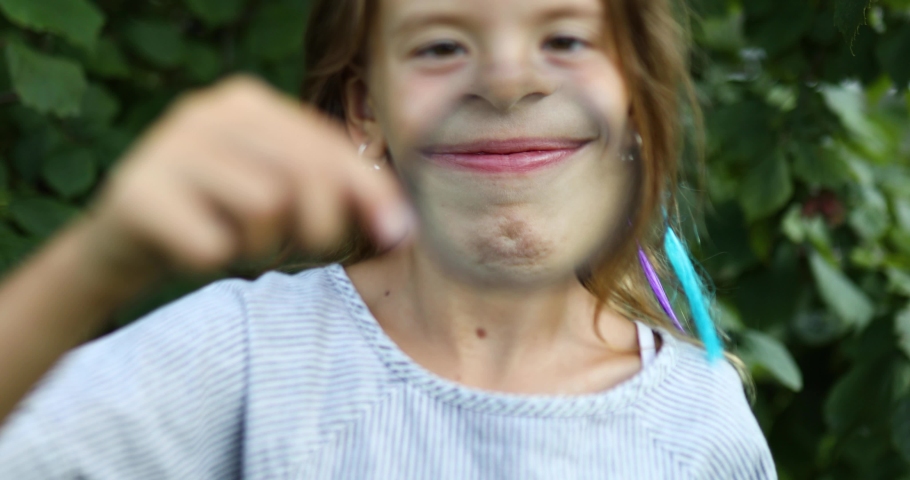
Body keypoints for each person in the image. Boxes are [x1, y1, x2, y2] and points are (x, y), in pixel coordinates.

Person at [0, 0, 777, 477]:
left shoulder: (700, 424)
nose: (507, 81)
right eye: (441, 43)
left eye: (565, 38)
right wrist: (100, 256)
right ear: (368, 110)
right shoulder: (249, 360)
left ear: (635, 102)